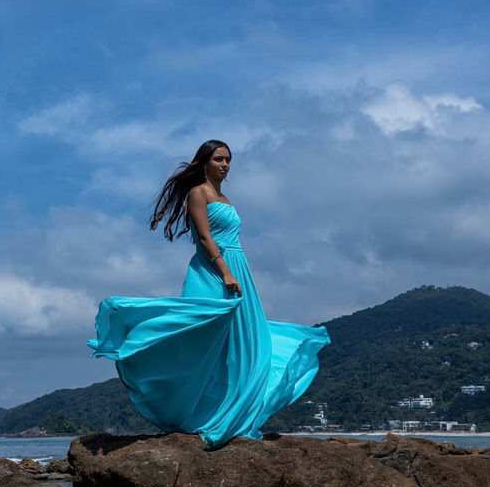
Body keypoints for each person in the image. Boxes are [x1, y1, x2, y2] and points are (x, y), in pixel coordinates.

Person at [87, 140, 330, 448]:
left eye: (228, 160)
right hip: (214, 270)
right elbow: (203, 237)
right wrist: (225, 272)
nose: (225, 165)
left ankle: (235, 415)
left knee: (246, 344)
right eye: (219, 159)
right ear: (204, 163)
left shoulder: (226, 198)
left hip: (238, 266)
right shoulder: (198, 193)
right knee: (204, 337)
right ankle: (193, 406)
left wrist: (234, 270)